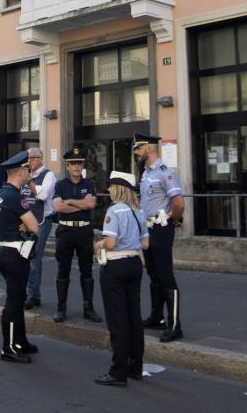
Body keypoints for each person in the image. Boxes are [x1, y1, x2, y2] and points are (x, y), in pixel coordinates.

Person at [93, 172, 150, 386]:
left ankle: (118, 372)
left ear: (118, 188)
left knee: (118, 319)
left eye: (111, 186)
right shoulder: (139, 211)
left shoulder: (114, 210)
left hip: (115, 266)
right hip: (134, 263)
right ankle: (136, 366)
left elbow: (110, 243)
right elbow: (145, 244)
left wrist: (99, 244)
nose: (108, 190)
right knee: (134, 317)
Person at [133, 133, 185, 342]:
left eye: (138, 148)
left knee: (165, 276)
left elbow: (179, 203)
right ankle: (157, 317)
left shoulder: (165, 172)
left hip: (161, 227)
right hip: (148, 229)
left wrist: (173, 218)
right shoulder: (146, 173)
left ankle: (175, 324)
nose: (136, 153)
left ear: (149, 148)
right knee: (153, 274)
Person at [0, 150, 39, 363]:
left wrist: (21, 223)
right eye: (28, 169)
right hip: (15, 255)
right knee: (13, 301)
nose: (30, 172)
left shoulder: (1, 193)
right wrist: (25, 224)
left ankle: (20, 341)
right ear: (21, 172)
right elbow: (35, 226)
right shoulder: (15, 196)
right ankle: (9, 348)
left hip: (5, 251)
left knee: (18, 298)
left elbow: (5, 219)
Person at [52, 147, 101, 323]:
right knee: (63, 270)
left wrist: (70, 202)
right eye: (73, 163)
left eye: (79, 163)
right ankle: (61, 308)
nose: (76, 167)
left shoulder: (88, 185)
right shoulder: (60, 185)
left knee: (86, 270)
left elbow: (91, 204)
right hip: (65, 231)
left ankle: (88, 308)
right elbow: (58, 207)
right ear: (67, 166)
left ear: (83, 165)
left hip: (84, 231)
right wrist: (81, 205)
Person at [24, 147, 58, 310]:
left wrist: (29, 181)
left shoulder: (48, 175)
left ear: (40, 159)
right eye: (28, 158)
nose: (29, 161)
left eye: (32, 158)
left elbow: (43, 195)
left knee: (34, 256)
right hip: (26, 220)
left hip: (41, 221)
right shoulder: (27, 175)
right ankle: (27, 292)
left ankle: (33, 295)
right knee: (24, 256)